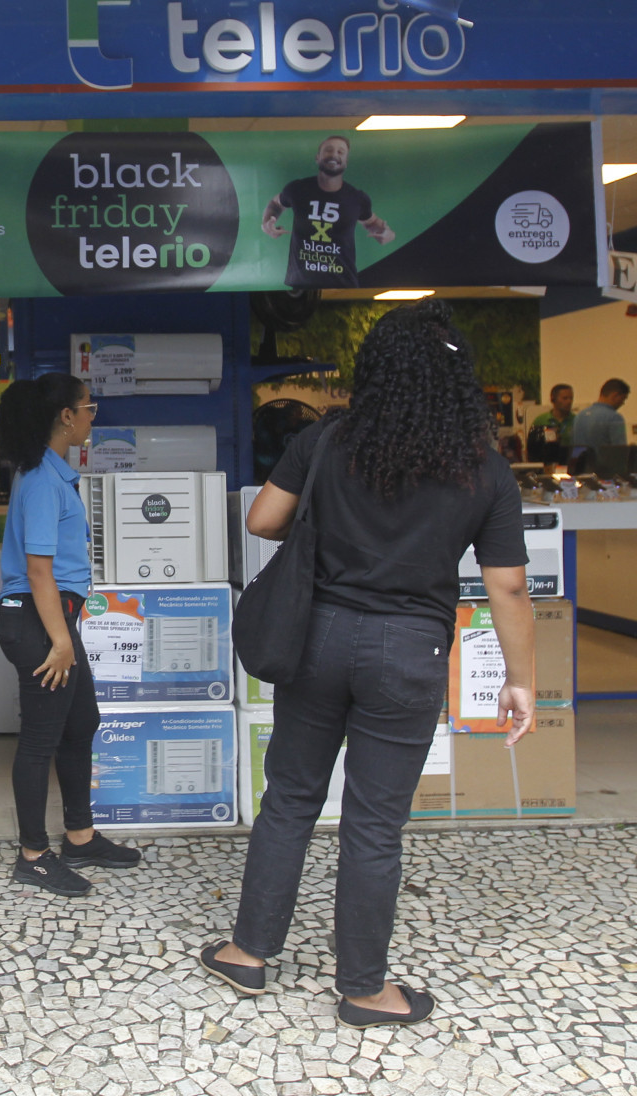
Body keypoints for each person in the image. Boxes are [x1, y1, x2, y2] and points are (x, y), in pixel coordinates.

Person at [199, 300, 535, 1028]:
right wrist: (520, 681)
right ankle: (363, 990)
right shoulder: (483, 469)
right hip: (409, 652)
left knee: (291, 797)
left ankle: (248, 953)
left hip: (317, 637)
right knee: (375, 823)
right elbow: (508, 586)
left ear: (376, 371)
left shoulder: (327, 441)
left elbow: (262, 519)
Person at [0, 373, 143, 897]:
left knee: (81, 723)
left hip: (53, 620)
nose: (90, 418)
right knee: (40, 740)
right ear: (66, 416)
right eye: (88, 408)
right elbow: (39, 571)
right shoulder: (40, 480)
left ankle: (80, 837)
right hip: (38, 622)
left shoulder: (53, 474)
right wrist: (60, 641)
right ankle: (33, 857)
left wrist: (64, 633)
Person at [261, 134, 396, 288]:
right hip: (301, 286)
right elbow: (276, 203)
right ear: (317, 157)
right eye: (328, 150)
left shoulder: (357, 198)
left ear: (346, 162)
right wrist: (267, 222)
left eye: (340, 152)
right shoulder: (297, 189)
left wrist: (387, 234)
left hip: (344, 286)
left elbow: (371, 222)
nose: (334, 155)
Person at [526, 384, 576, 466]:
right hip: (547, 466)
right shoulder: (541, 421)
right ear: (553, 399)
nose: (569, 401)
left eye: (571, 398)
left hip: (570, 466)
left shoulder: (576, 420)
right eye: (565, 398)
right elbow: (532, 449)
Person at [573, 379, 631, 448]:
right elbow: (620, 448)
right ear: (615, 395)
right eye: (623, 399)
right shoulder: (615, 418)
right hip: (604, 455)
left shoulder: (579, 416)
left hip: (581, 455)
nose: (623, 403)